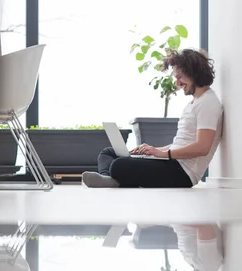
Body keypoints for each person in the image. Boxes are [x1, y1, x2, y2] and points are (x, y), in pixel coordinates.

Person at [82, 48, 223, 188]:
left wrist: (163, 154)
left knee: (119, 165)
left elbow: (202, 147)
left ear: (193, 72)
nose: (177, 83)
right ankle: (109, 180)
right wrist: (154, 150)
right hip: (173, 162)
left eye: (179, 77)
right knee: (108, 153)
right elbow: (181, 144)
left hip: (183, 173)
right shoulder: (195, 103)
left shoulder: (208, 103)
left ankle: (113, 179)